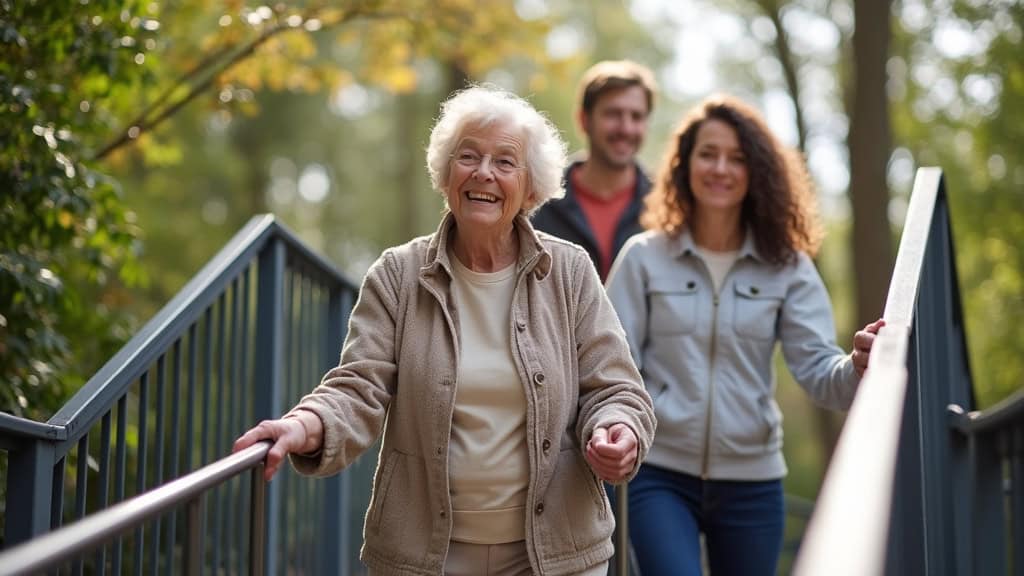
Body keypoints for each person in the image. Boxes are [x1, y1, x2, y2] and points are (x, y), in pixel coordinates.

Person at [233, 85, 656, 576]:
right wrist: (304, 424)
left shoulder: (569, 271)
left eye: (504, 162)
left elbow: (615, 386)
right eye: (468, 156)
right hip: (427, 556)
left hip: (555, 552)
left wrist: (618, 429)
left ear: (530, 186)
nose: (483, 173)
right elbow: (358, 387)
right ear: (445, 172)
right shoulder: (397, 274)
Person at [604, 94, 884, 576]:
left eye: (737, 158)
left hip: (753, 483)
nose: (720, 168)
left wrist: (857, 365)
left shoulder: (788, 267)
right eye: (708, 153)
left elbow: (822, 373)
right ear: (684, 163)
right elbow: (608, 364)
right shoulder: (644, 257)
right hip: (657, 473)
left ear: (757, 172)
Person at [532, 59, 657, 282]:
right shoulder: (538, 198)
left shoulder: (665, 205)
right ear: (584, 120)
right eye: (613, 114)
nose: (625, 128)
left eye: (636, 116)